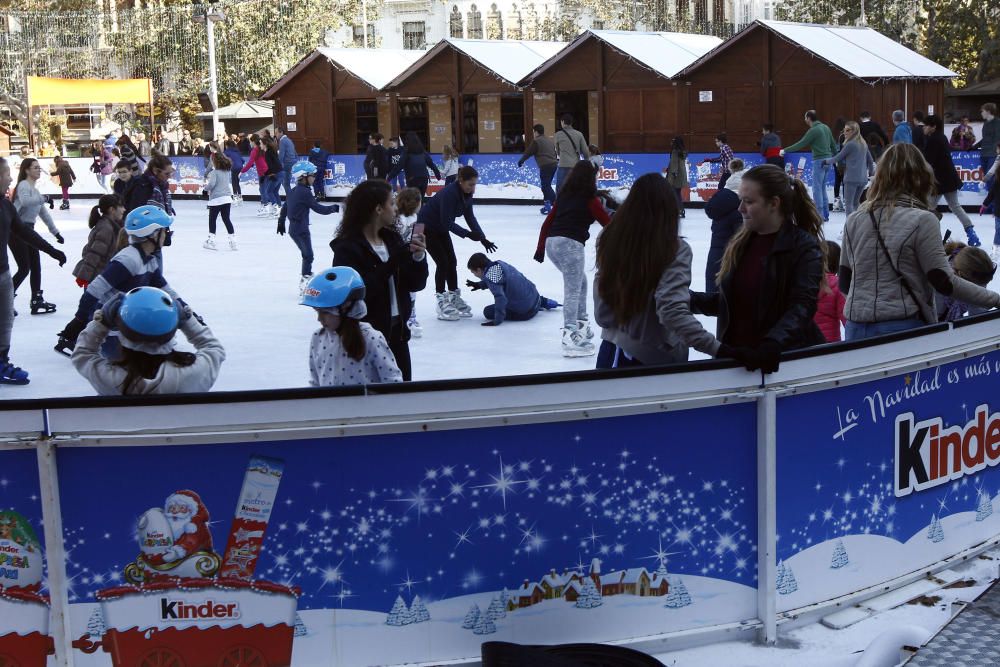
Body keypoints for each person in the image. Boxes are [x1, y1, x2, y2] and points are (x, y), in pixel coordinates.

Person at [839, 143, 1000, 340]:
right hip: (902, 326)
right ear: (921, 177)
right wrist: (995, 299)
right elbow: (944, 282)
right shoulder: (923, 220)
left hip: (856, 327)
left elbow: (845, 282)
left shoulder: (854, 219)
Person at [690, 165, 828, 373]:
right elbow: (738, 302)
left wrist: (773, 343)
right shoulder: (741, 243)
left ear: (774, 203)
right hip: (737, 363)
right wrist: (689, 300)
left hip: (782, 367)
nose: (740, 209)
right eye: (741, 200)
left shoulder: (803, 247)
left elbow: (802, 305)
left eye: (749, 202)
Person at [594, 173, 727, 369]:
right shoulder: (674, 249)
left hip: (610, 350)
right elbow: (671, 310)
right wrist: (719, 349)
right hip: (651, 360)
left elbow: (603, 312)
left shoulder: (610, 238)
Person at [330, 179, 428, 381]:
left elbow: (415, 284)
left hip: (398, 333)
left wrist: (419, 258)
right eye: (391, 203)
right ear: (377, 209)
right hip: (366, 338)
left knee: (403, 395)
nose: (396, 208)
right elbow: (356, 296)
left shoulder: (393, 240)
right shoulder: (347, 248)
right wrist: (392, 263)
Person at [54, 205, 179, 357]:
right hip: (112, 333)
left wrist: (187, 312)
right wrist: (79, 320)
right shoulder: (129, 260)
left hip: (126, 327)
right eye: (165, 231)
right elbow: (94, 289)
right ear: (152, 234)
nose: (167, 235)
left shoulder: (149, 260)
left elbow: (165, 290)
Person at [72, 287, 224, 395]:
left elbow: (83, 354)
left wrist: (101, 322)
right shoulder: (194, 373)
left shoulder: (112, 379)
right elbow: (213, 348)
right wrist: (187, 320)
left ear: (124, 334)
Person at [0, 157, 67, 384]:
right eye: (5, 173)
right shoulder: (21, 191)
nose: (10, 177)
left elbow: (27, 231)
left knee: (5, 320)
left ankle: (1, 362)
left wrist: (52, 249)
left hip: (3, 274)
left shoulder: (5, 205)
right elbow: (30, 204)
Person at [534, 160, 609, 356]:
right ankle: (569, 336)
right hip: (570, 246)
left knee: (581, 283)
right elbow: (607, 222)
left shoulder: (564, 196)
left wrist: (541, 248)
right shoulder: (590, 200)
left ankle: (582, 325)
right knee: (573, 290)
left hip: (552, 244)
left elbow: (546, 223)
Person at [414, 165, 496, 321]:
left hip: (440, 227)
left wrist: (483, 238)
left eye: (475, 184)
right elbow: (446, 222)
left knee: (452, 261)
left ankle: (453, 296)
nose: (473, 188)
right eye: (470, 184)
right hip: (425, 227)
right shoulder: (449, 194)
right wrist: (467, 234)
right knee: (443, 263)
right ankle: (441, 301)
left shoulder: (467, 194)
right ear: (460, 181)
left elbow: (470, 217)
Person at [299, 266, 402, 387]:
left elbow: (392, 381)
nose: (319, 319)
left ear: (347, 308)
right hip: (329, 406)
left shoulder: (371, 338)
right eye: (317, 311)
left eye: (325, 312)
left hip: (365, 406)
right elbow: (315, 382)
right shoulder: (318, 338)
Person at [10, 158, 63, 315]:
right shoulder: (23, 186)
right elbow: (26, 202)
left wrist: (56, 232)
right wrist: (45, 198)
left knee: (35, 266)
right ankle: (4, 300)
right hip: (16, 231)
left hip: (28, 231)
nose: (39, 170)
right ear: (26, 170)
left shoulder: (35, 190)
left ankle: (36, 300)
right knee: (24, 268)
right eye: (35, 168)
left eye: (39, 168)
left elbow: (43, 213)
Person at [276, 161, 340, 288]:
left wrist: (281, 222)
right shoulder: (305, 192)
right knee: (308, 256)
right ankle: (305, 281)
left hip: (294, 229)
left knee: (307, 255)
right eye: (312, 175)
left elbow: (285, 207)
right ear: (304, 176)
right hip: (301, 230)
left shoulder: (294, 190)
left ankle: (306, 277)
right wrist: (335, 208)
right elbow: (319, 209)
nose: (314, 177)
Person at [921, 114, 981, 246]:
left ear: (933, 127)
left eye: (925, 125)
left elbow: (928, 162)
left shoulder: (933, 140)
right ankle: (971, 233)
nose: (923, 128)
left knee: (927, 207)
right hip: (949, 178)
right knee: (954, 206)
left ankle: (927, 234)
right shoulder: (941, 137)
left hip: (938, 181)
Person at [466, 253, 558, 326]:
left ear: (478, 270)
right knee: (518, 289)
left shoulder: (490, 276)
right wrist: (479, 285)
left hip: (526, 312)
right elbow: (500, 281)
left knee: (488, 311)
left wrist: (497, 320)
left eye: (473, 272)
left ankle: (530, 307)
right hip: (535, 298)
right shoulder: (500, 264)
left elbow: (500, 298)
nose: (475, 275)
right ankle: (542, 302)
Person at [780, 110, 838, 222]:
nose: (804, 120)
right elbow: (833, 144)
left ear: (808, 118)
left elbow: (801, 144)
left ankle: (819, 216)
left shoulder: (813, 130)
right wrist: (837, 159)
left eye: (805, 117)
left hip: (819, 161)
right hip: (829, 160)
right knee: (822, 188)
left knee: (817, 189)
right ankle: (825, 215)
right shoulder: (826, 127)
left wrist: (785, 150)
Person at [704, 164, 743, 295]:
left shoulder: (721, 207)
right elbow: (742, 241)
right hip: (731, 266)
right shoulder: (739, 211)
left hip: (715, 263)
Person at [72, 195, 125, 290]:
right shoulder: (106, 228)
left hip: (102, 277)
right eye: (121, 206)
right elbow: (94, 254)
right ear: (112, 209)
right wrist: (84, 277)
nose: (124, 209)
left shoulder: (111, 226)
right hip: (98, 280)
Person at [823, 121, 875, 217]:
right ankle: (856, 226)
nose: (844, 133)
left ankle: (849, 229)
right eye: (844, 130)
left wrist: (825, 161)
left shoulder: (850, 144)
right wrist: (871, 174)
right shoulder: (863, 144)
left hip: (851, 178)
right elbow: (870, 161)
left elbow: (838, 158)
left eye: (847, 130)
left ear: (854, 131)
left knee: (849, 205)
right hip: (863, 179)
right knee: (856, 204)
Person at [937, 241, 996, 321]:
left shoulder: (976, 274)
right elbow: (932, 324)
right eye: (977, 286)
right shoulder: (937, 284)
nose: (979, 289)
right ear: (959, 275)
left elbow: (979, 313)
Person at [395, 187, 423, 338]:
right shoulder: (397, 220)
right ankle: (406, 314)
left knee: (412, 290)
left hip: (410, 260)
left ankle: (410, 314)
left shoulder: (416, 219)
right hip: (400, 261)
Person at [518, 124, 558, 214]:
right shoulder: (549, 140)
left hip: (545, 165)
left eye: (533, 132)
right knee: (546, 186)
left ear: (536, 132)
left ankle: (556, 203)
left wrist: (521, 161)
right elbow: (554, 152)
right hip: (554, 165)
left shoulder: (537, 141)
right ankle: (547, 205)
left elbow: (528, 152)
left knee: (545, 186)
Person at [387, 133, 440, 197]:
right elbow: (431, 164)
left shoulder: (406, 153)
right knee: (420, 199)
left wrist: (388, 178)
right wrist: (438, 175)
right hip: (424, 178)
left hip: (412, 179)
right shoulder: (423, 152)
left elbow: (398, 167)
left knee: (413, 200)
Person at [203, 152, 237, 251]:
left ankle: (211, 241)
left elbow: (212, 184)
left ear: (215, 161)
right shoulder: (227, 171)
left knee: (212, 219)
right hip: (227, 198)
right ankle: (233, 241)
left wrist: (205, 189)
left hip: (216, 199)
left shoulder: (214, 172)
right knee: (226, 219)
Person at [814, 240, 846, 342]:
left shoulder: (805, 283)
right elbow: (846, 319)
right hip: (831, 347)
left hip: (806, 345)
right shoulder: (838, 285)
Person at [554, 114, 590, 193]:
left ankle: (560, 204)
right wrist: (586, 160)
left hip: (563, 165)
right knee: (576, 187)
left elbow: (557, 151)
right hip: (575, 165)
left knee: (560, 187)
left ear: (563, 122)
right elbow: (585, 151)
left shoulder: (558, 135)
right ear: (571, 123)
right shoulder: (579, 134)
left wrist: (562, 155)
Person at [240, 136, 271, 216]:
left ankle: (266, 207)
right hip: (267, 170)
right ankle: (266, 205)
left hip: (263, 172)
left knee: (263, 189)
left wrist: (242, 171)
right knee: (264, 189)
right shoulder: (261, 149)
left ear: (253, 142)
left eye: (250, 141)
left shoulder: (255, 150)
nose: (250, 143)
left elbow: (250, 162)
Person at [975, 104, 999, 179]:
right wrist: (975, 146)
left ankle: (993, 190)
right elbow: (985, 138)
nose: (981, 113)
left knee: (991, 176)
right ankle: (989, 190)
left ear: (988, 111)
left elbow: (998, 138)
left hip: (993, 154)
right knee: (986, 176)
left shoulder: (998, 123)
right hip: (984, 153)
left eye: (982, 111)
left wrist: (996, 150)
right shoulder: (985, 123)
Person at [666, 136, 688, 217]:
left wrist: (673, 174)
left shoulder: (675, 151)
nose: (671, 142)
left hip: (675, 175)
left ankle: (679, 210)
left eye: (673, 141)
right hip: (681, 174)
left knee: (675, 193)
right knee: (677, 193)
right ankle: (680, 209)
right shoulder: (683, 151)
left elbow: (674, 163)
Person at [261, 136, 283, 217]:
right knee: (274, 191)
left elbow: (270, 166)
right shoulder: (272, 151)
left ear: (265, 144)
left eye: (261, 144)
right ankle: (280, 208)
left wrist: (266, 175)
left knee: (269, 191)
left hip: (276, 173)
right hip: (280, 172)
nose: (260, 145)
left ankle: (276, 208)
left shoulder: (267, 153)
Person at [223, 140, 245, 204]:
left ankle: (235, 197)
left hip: (234, 167)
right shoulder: (237, 151)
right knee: (237, 182)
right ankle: (240, 197)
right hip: (240, 167)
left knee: (234, 182)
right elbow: (242, 160)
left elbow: (222, 158)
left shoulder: (227, 151)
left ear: (227, 145)